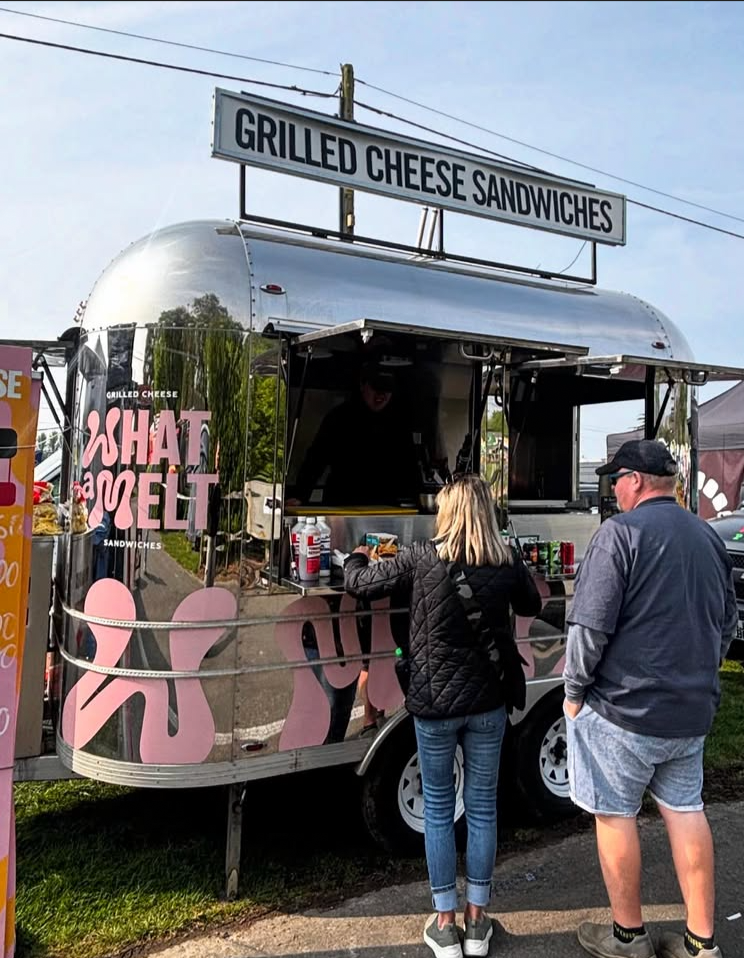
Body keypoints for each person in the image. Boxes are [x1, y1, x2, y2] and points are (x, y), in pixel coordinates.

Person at [344, 475, 541, 958]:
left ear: (447, 514)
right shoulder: (506, 560)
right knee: (482, 807)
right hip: (488, 704)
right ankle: (478, 923)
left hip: (434, 706)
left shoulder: (419, 558)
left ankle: (445, 924)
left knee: (437, 808)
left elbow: (359, 585)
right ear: (487, 513)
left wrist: (357, 556)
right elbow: (533, 604)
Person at [563, 440, 738, 958]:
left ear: (636, 480)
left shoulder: (619, 535)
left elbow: (589, 629)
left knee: (615, 815)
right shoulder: (707, 538)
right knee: (686, 812)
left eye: (616, 478)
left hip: (624, 712)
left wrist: (574, 692)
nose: (613, 488)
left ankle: (628, 938)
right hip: (690, 713)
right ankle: (701, 945)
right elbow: (726, 625)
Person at [290, 362, 420, 507]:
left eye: (387, 389)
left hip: (384, 507)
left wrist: (418, 498)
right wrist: (300, 495)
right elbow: (315, 459)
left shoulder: (398, 422)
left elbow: (410, 464)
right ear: (362, 385)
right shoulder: (340, 417)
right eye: (376, 387)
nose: (381, 394)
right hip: (343, 504)